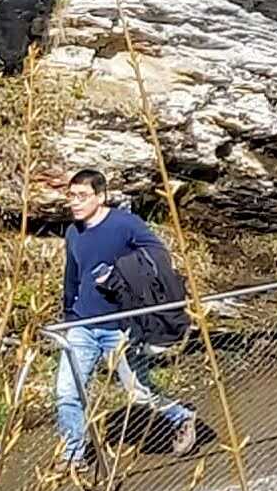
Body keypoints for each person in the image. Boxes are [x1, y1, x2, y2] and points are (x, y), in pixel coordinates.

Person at [54, 169, 203, 468]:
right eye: (71, 196)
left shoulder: (124, 224)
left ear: (100, 196)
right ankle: (73, 456)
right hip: (82, 325)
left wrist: (120, 273)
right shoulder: (73, 233)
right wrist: (69, 314)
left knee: (139, 391)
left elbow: (157, 254)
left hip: (122, 326)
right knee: (67, 392)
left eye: (82, 196)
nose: (75, 203)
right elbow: (72, 275)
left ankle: (182, 417)